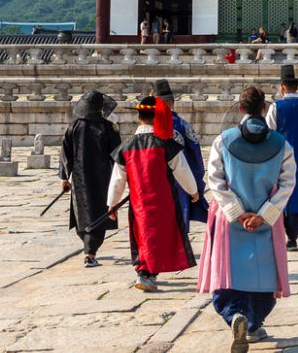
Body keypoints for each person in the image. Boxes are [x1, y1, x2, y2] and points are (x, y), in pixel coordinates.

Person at [198, 87, 296, 351]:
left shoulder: (224, 140)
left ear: (240, 109)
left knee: (228, 272)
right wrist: (264, 214)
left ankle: (234, 314)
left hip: (230, 222)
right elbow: (287, 183)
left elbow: (215, 180)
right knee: (263, 275)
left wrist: (237, 213)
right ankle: (253, 323)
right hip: (265, 222)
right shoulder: (281, 144)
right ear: (264, 109)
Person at [107, 95, 200, 292]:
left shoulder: (126, 146)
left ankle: (145, 271)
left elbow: (117, 179)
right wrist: (193, 191)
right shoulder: (165, 144)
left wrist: (112, 203)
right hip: (164, 201)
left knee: (142, 234)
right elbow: (182, 170)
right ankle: (148, 273)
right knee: (160, 236)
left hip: (138, 201)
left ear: (138, 117)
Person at [59, 90, 122, 268]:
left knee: (83, 214)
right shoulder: (107, 127)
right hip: (103, 179)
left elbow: (65, 154)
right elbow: (118, 154)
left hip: (80, 179)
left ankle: (88, 248)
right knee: (100, 215)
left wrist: (65, 177)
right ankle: (90, 252)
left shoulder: (74, 126)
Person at [264, 65, 298, 252]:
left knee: (280, 192)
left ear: (282, 87)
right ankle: (293, 236)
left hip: (279, 155)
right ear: (297, 88)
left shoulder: (275, 107)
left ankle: (280, 231)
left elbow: (268, 133)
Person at [154, 79, 209, 230]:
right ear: (172, 102)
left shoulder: (148, 125)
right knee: (179, 221)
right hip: (180, 180)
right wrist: (196, 182)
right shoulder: (183, 125)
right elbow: (196, 154)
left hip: (154, 180)